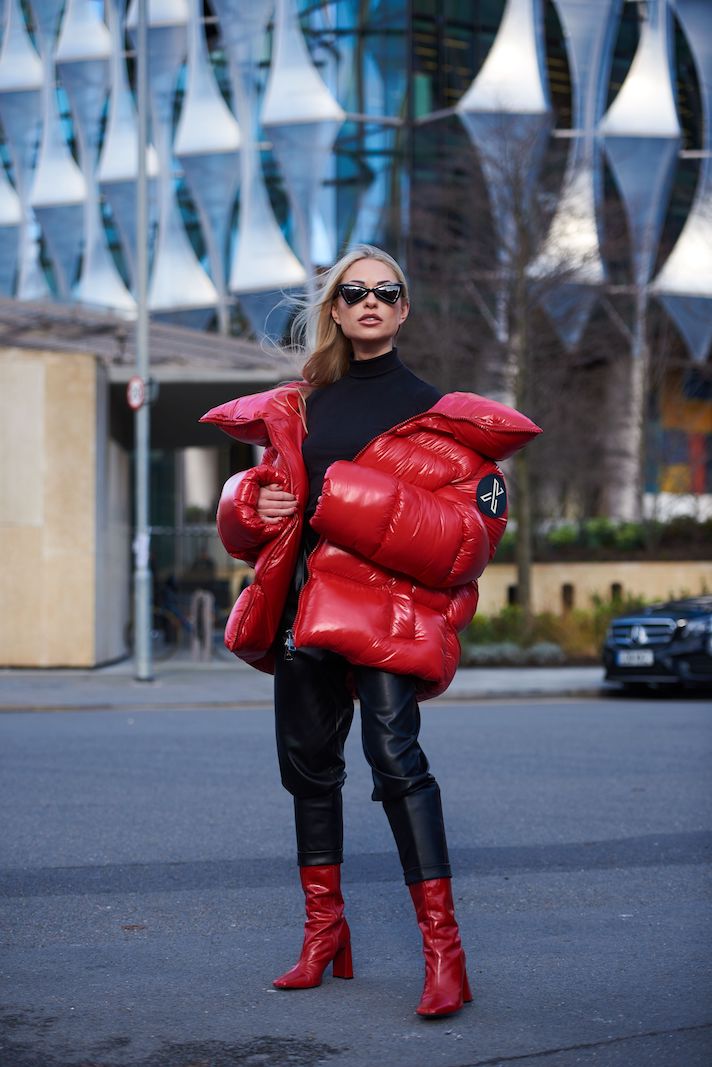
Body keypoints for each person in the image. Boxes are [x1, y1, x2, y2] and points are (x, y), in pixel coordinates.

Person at [201, 244, 540, 1018]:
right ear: (336, 308)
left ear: (404, 307)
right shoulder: (303, 406)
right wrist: (254, 501)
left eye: (386, 291)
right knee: (308, 770)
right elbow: (261, 517)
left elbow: (468, 538)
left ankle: (444, 953)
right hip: (304, 608)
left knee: (397, 763)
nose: (370, 302)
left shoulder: (436, 413)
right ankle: (324, 933)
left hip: (389, 611)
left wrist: (345, 498)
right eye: (354, 292)